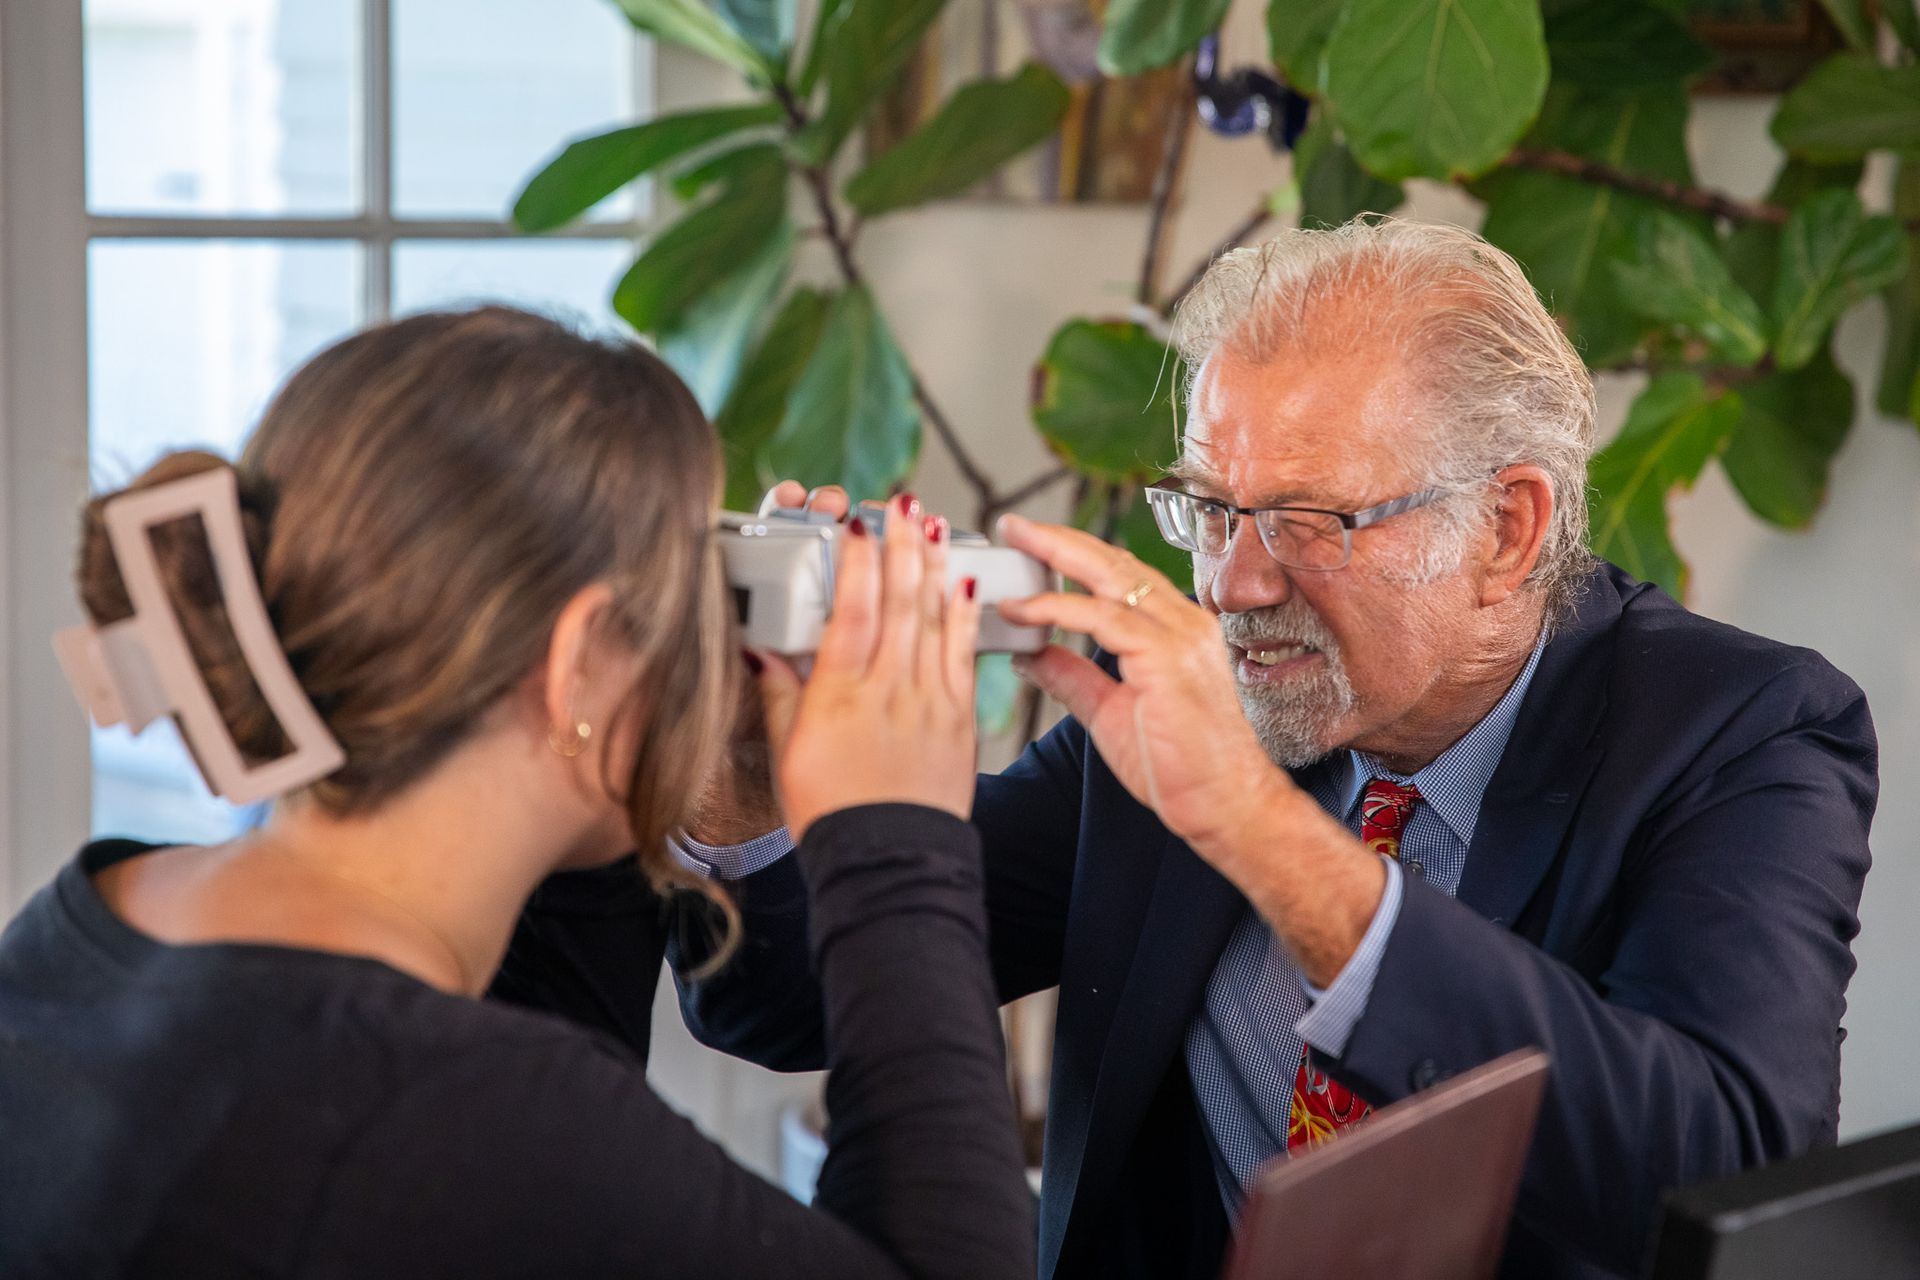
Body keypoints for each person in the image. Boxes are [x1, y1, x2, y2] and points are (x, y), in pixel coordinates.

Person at [497, 221, 1878, 1280]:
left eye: (1310, 522)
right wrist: (752, 759)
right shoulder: (1159, 694)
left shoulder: (1739, 733)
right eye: (1210, 510)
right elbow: (784, 1002)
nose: (1234, 586)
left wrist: (1259, 830)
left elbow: (1721, 1177)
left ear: (1508, 529)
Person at [0, 306, 1036, 1278]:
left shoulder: (82, 930)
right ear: (578, 654)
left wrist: (688, 758)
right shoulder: (465, 1111)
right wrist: (894, 833)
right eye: (686, 588)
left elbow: (551, 1024)